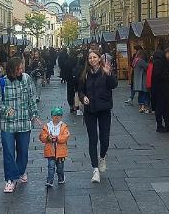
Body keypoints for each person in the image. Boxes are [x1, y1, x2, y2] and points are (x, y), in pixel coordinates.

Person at [0, 57, 43, 193]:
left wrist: (34, 115)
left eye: (22, 68)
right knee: (8, 151)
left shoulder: (26, 79)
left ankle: (20, 172)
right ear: (11, 69)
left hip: (24, 122)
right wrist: (5, 109)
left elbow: (31, 98)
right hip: (7, 124)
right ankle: (10, 179)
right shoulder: (1, 83)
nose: (21, 71)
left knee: (23, 151)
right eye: (18, 69)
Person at [77, 48, 118, 183]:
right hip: (90, 111)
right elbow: (80, 91)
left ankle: (102, 157)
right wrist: (83, 98)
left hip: (104, 109)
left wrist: (109, 74)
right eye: (90, 58)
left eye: (95, 57)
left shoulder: (104, 72)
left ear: (99, 59)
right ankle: (95, 169)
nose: (92, 60)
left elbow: (114, 85)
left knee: (104, 139)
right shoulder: (85, 74)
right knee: (93, 139)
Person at [39, 107, 70, 187]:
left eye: (58, 116)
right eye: (55, 115)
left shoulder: (64, 127)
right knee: (51, 167)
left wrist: (57, 138)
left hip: (61, 152)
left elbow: (65, 136)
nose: (56, 117)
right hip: (50, 151)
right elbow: (42, 136)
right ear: (52, 116)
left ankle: (61, 178)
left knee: (60, 168)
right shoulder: (47, 126)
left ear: (61, 117)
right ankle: (50, 181)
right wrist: (48, 138)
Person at [151, 46, 169, 132]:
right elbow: (157, 75)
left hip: (164, 88)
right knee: (160, 107)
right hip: (160, 89)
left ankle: (167, 124)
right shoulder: (159, 61)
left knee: (166, 107)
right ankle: (159, 126)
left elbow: (161, 73)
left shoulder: (163, 61)